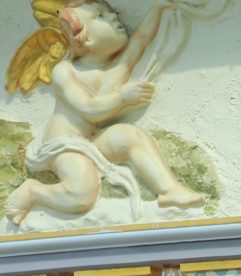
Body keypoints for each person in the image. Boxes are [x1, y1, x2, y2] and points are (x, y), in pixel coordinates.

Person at [4, 1, 209, 225]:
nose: (114, 15)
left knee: (131, 136)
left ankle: (169, 190)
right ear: (85, 39)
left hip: (91, 142)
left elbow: (141, 39)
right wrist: (123, 98)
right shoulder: (65, 71)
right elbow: (89, 108)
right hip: (63, 145)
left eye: (110, 11)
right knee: (82, 192)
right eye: (101, 15)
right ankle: (33, 192)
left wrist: (158, 8)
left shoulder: (117, 68)